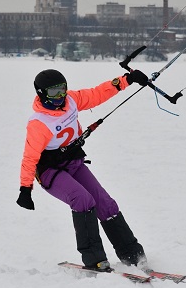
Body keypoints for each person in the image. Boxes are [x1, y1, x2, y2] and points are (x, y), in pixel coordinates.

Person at [16, 68, 149, 271]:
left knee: (106, 203)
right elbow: (30, 157)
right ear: (42, 94)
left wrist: (126, 80)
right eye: (54, 93)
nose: (60, 96)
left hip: (73, 163)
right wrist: (25, 188)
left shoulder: (71, 101)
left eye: (62, 90)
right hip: (50, 172)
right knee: (82, 200)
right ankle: (95, 260)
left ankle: (133, 255)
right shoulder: (39, 123)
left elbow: (97, 94)